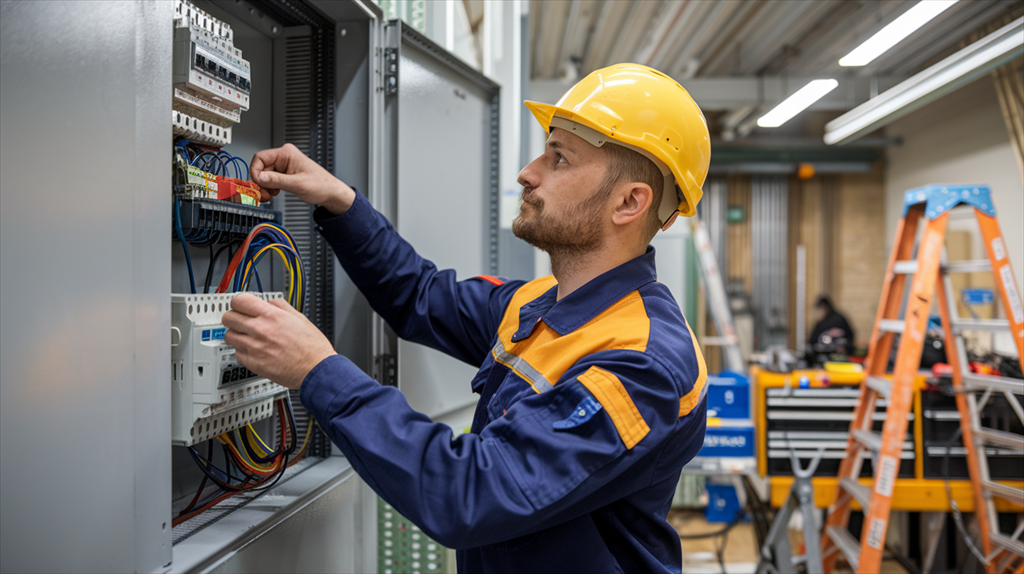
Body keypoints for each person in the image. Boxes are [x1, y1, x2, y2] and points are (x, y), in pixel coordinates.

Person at [221, 63, 711, 573]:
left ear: (629, 202)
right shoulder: (543, 303)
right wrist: (340, 202)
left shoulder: (645, 364)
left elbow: (473, 491)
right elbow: (420, 294)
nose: (528, 172)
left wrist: (317, 370)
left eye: (559, 158)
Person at [806, 295, 855, 364]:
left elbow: (811, 342)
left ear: (823, 309)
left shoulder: (823, 323)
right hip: (841, 358)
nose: (817, 313)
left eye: (817, 310)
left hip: (829, 359)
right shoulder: (840, 318)